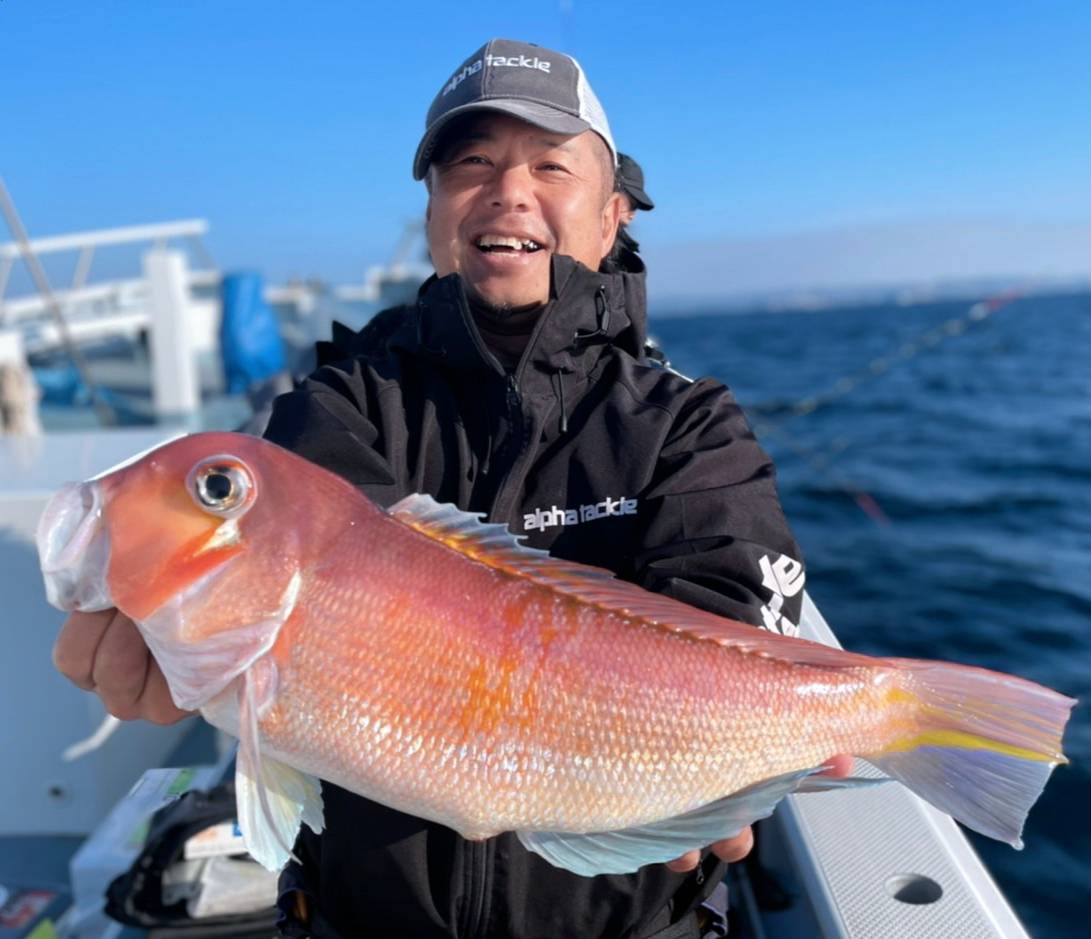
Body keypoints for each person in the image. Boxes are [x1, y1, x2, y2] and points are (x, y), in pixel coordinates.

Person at [54, 38, 843, 938]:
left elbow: (731, 600)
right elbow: (327, 603)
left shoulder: (687, 422)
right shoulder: (336, 405)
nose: (508, 190)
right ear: (432, 209)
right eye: (470, 163)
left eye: (551, 164)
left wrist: (706, 775)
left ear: (613, 213)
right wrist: (173, 648)